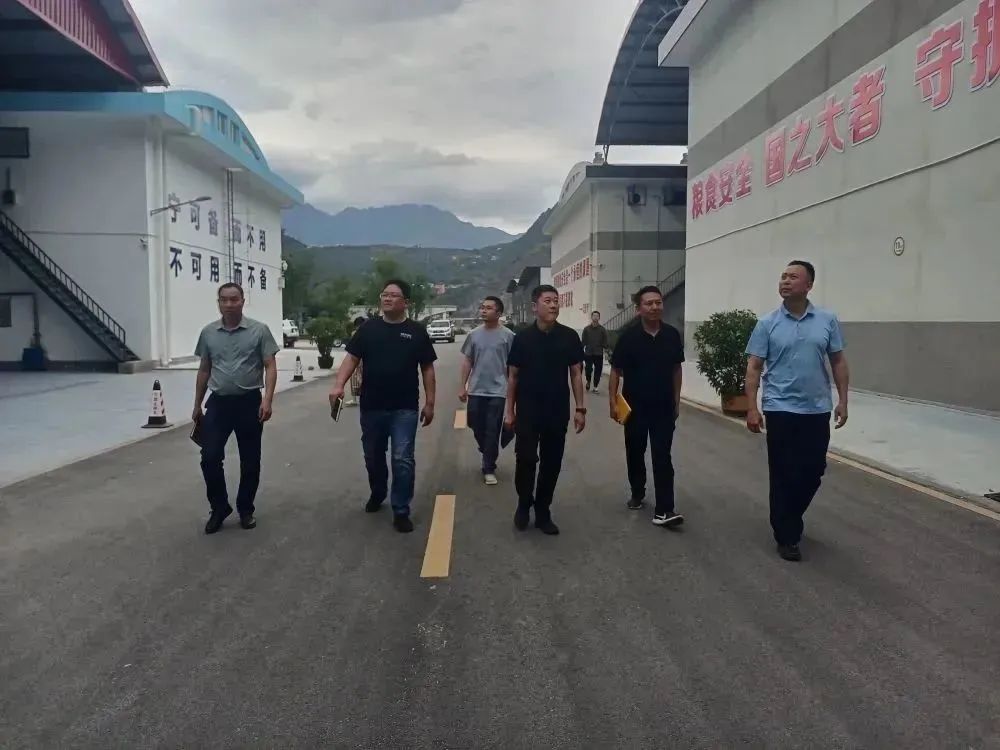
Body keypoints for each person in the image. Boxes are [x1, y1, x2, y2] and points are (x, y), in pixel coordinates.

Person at [745, 260, 849, 562]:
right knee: (782, 472)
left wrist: (843, 400)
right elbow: (754, 367)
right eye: (783, 276)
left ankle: (790, 515)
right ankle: (787, 535)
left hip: (816, 408)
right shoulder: (767, 323)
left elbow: (838, 361)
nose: (785, 281)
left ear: (809, 285)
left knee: (814, 470)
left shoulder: (827, 320)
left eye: (793, 277)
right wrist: (752, 407)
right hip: (779, 407)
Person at [329, 280, 437, 533]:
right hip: (372, 406)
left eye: (393, 295)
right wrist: (338, 385)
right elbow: (351, 359)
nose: (387, 299)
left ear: (406, 302)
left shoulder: (416, 332)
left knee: (402, 458)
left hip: (405, 407)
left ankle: (401, 509)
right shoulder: (368, 329)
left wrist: (430, 403)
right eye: (384, 294)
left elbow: (427, 369)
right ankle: (378, 492)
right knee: (373, 456)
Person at [192, 282, 279, 534]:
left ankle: (245, 508)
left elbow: (270, 366)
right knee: (209, 457)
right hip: (218, 403)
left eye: (234, 299)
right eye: (224, 300)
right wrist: (197, 404)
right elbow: (204, 369)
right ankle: (219, 507)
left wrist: (267, 399)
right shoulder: (208, 333)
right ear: (218, 302)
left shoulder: (259, 330)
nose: (229, 304)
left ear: (243, 301)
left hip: (249, 402)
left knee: (250, 460)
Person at [504, 284, 586, 535]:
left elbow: (576, 373)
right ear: (534, 307)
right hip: (528, 411)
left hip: (557, 410)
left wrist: (580, 408)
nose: (553, 305)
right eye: (548, 301)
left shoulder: (569, 337)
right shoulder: (522, 338)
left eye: (556, 301)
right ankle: (523, 503)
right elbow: (513, 376)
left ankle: (543, 510)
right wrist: (509, 411)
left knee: (552, 463)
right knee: (526, 459)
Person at [608, 286, 685, 528]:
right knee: (635, 452)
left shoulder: (672, 335)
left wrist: (676, 400)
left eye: (658, 302)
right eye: (649, 303)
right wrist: (613, 402)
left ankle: (665, 509)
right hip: (634, 408)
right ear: (638, 309)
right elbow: (616, 371)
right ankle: (637, 491)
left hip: (663, 408)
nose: (654, 307)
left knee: (662, 456)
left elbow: (676, 369)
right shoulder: (628, 338)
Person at [459, 296, 515, 486]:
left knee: (492, 429)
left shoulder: (508, 336)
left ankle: (488, 467)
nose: (483, 310)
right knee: (474, 424)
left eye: (489, 308)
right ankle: (487, 449)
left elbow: (513, 367)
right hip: (476, 389)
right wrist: (462, 386)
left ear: (498, 313)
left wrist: (514, 392)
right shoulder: (473, 335)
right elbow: (468, 361)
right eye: (482, 307)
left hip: (498, 390)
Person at [581, 310, 609, 393]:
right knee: (588, 369)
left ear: (599, 318)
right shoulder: (586, 329)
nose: (595, 317)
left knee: (598, 370)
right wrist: (580, 351)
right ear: (591, 317)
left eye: (597, 316)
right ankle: (588, 381)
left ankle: (595, 386)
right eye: (594, 316)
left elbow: (605, 341)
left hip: (598, 353)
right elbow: (583, 341)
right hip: (588, 353)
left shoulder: (602, 330)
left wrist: (606, 350)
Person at [345, 316, 366, 406]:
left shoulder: (358, 333)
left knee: (358, 377)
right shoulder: (358, 333)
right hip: (359, 358)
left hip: (361, 358)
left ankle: (357, 399)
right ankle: (355, 399)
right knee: (356, 378)